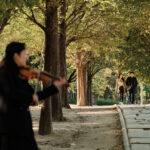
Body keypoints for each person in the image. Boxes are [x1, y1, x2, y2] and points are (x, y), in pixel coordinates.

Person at [0, 42, 66, 150]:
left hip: (23, 127)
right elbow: (11, 93)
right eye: (24, 54)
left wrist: (55, 86)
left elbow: (34, 96)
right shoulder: (4, 73)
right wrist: (30, 97)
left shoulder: (19, 74)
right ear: (16, 56)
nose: (26, 57)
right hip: (10, 128)